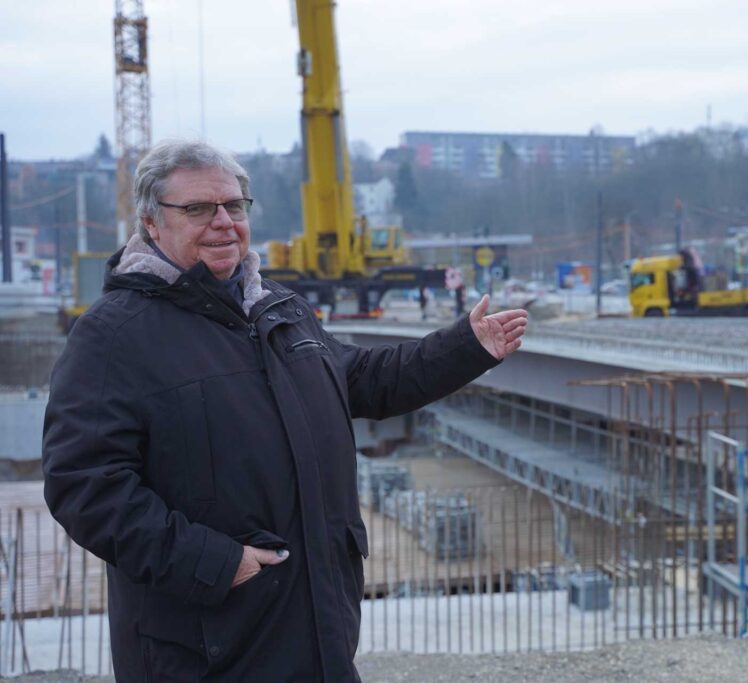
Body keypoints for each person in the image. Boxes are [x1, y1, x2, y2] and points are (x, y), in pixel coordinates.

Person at [41, 139, 528, 682]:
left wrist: (466, 347)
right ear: (153, 224)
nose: (223, 222)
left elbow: (363, 380)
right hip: (206, 646)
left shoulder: (278, 309)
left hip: (318, 626)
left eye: (234, 205)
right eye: (199, 209)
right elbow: (85, 486)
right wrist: (218, 565)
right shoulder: (113, 335)